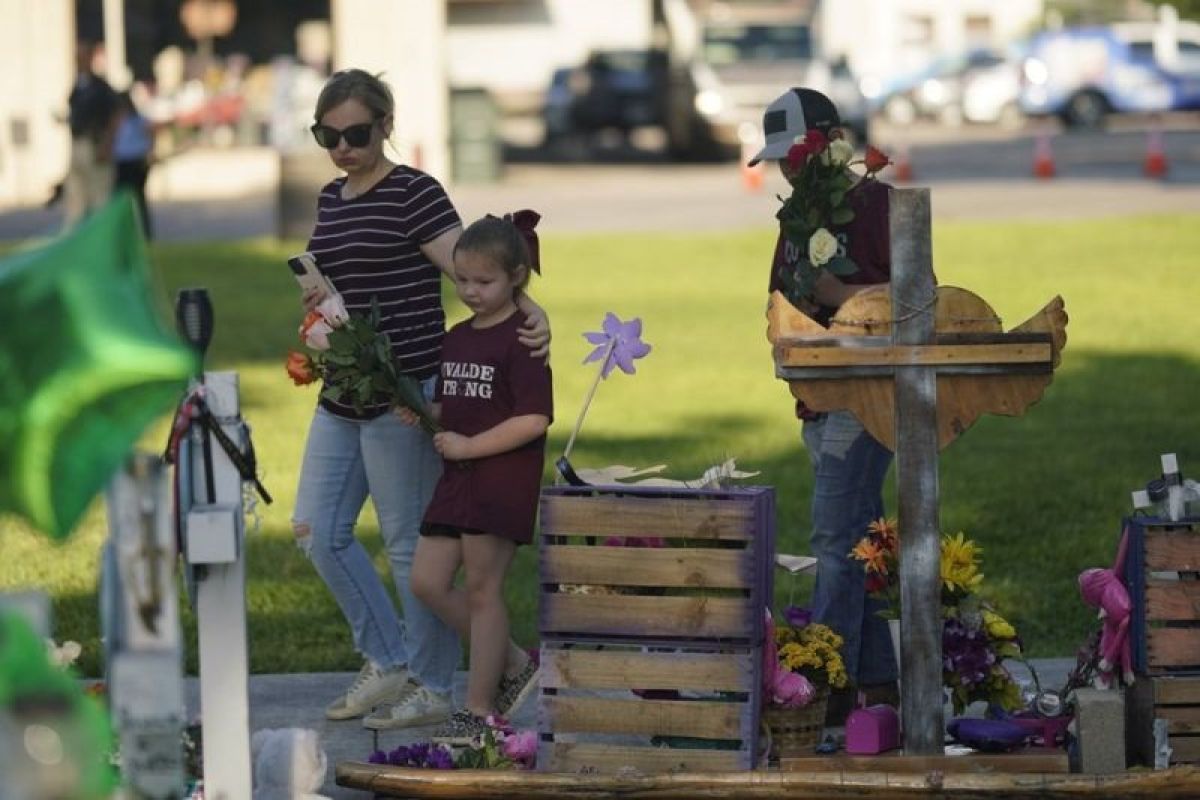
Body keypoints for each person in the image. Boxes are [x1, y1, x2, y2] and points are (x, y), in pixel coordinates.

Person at [292, 69, 550, 729]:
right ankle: (389, 661)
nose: (343, 147)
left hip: (405, 392)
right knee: (318, 533)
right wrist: (318, 299)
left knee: (411, 547)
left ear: (385, 126)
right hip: (343, 391)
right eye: (328, 135)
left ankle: (434, 685)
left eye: (355, 133)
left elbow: (473, 268)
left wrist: (529, 309)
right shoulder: (332, 197)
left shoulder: (415, 194)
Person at [750, 87, 898, 723]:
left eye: (796, 153)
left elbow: (914, 294)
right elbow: (780, 292)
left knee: (834, 540)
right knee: (861, 539)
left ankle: (827, 688)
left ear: (832, 139)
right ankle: (878, 683)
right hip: (816, 400)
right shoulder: (796, 216)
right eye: (780, 158)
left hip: (864, 395)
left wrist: (841, 293)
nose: (787, 167)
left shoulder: (873, 202)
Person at [395, 212, 551, 743]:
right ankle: (510, 659)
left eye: (484, 282)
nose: (470, 291)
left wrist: (468, 446)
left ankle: (479, 710)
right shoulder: (457, 337)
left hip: (499, 478)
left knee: (484, 591)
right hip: (457, 478)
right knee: (426, 583)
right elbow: (465, 401)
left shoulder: (523, 339)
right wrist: (428, 409)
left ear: (515, 279)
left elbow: (532, 419)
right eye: (461, 280)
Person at [61, 40, 118, 228]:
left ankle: (100, 236)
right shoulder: (78, 86)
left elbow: (115, 116)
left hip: (95, 145)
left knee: (99, 196)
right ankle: (75, 238)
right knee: (76, 196)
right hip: (78, 144)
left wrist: (106, 144)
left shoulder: (100, 87)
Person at [112, 91, 154, 239]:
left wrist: (150, 152)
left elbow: (149, 134)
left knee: (138, 198)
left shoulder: (136, 120)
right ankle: (124, 233)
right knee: (121, 199)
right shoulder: (118, 121)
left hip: (135, 161)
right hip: (123, 161)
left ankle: (145, 233)